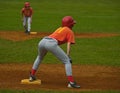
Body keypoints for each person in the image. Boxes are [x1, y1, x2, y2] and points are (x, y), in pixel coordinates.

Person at [29, 16, 80, 88]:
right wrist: (68, 55)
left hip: (42, 41)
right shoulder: (70, 31)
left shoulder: (60, 28)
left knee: (40, 57)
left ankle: (32, 76)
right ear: (70, 24)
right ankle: (71, 82)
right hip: (51, 43)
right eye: (72, 23)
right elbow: (69, 44)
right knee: (67, 61)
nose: (73, 25)